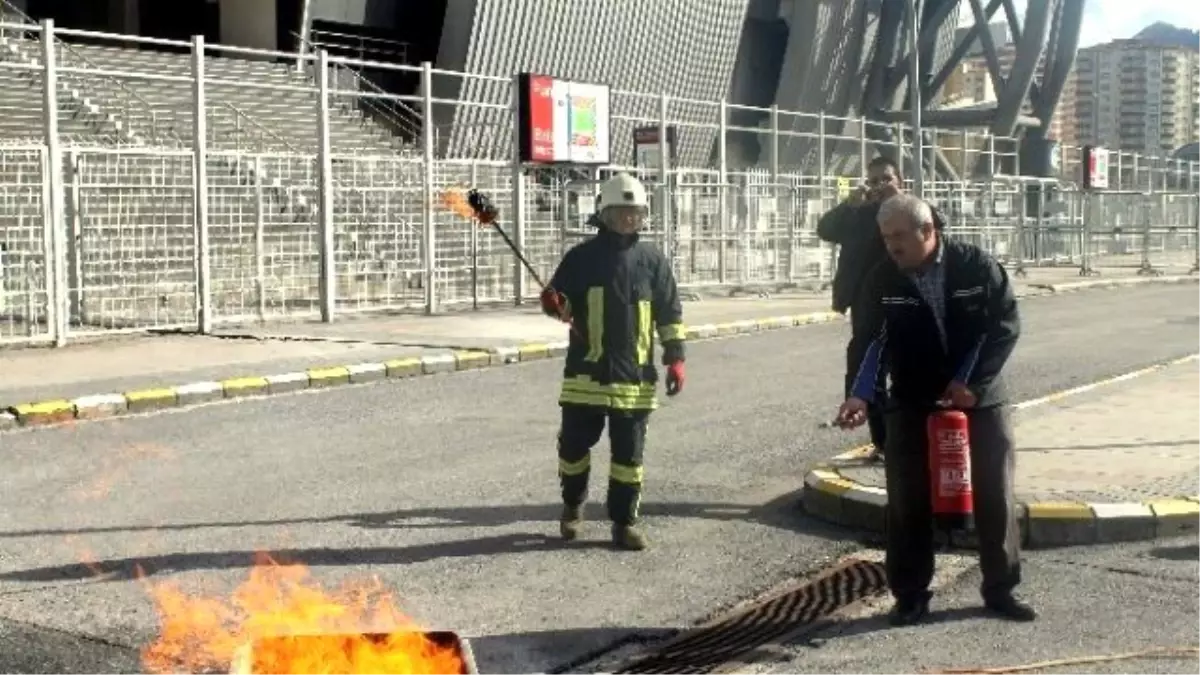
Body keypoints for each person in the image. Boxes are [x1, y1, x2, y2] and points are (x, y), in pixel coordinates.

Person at [833, 193, 1035, 626]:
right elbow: (869, 341)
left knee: (994, 491)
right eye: (886, 238)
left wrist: (973, 384)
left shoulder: (975, 267)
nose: (893, 246)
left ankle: (1000, 589)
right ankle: (910, 595)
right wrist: (858, 394)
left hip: (980, 395)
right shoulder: (883, 279)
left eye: (900, 237)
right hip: (913, 397)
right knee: (907, 498)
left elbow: (1004, 327)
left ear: (929, 231)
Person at [539, 172, 686, 552]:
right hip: (584, 376)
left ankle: (624, 524)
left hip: (634, 381)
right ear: (604, 214)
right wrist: (555, 304)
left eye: (635, 213)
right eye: (621, 212)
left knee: (629, 460)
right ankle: (573, 505)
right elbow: (562, 305)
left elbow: (669, 312)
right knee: (572, 449)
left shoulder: (652, 260)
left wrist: (676, 358)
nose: (628, 219)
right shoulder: (580, 258)